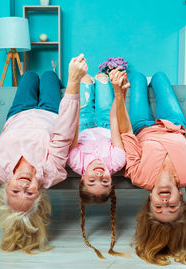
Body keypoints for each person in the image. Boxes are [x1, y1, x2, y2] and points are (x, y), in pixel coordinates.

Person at [0, 54, 88, 253]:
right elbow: (64, 132)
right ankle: (55, 79)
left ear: (4, 191)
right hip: (50, 113)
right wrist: (74, 82)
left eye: (16, 191)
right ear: (39, 195)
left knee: (29, 76)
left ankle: (43, 80)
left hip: (18, 113)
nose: (23, 185)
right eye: (29, 192)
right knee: (49, 76)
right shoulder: (51, 171)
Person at [109, 69, 186, 265]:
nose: (165, 201)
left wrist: (119, 94)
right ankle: (155, 78)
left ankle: (139, 79)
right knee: (159, 76)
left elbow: (126, 133)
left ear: (150, 199)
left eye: (159, 207)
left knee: (138, 78)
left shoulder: (139, 177)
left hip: (141, 126)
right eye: (172, 206)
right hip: (175, 124)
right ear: (181, 200)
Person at [67, 72, 129, 259]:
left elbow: (73, 127)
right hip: (105, 124)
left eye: (92, 180)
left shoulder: (75, 162)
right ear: (111, 183)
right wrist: (120, 96)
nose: (100, 175)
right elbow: (114, 121)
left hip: (83, 124)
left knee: (85, 80)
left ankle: (88, 83)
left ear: (82, 179)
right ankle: (100, 81)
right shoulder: (117, 161)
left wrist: (76, 93)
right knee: (103, 79)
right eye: (104, 181)